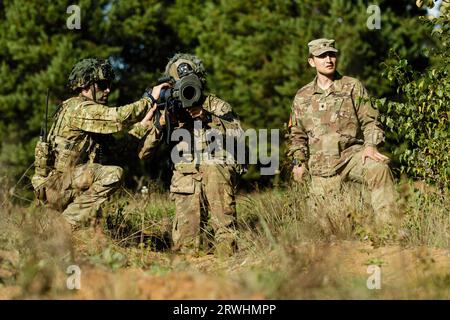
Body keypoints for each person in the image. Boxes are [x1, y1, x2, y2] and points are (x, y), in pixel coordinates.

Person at [32, 57, 166, 227]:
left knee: (99, 208)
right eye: (102, 85)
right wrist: (149, 100)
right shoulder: (79, 108)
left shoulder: (85, 115)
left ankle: (64, 225)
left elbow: (118, 149)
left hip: (65, 186)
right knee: (112, 174)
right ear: (85, 86)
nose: (108, 90)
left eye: (109, 84)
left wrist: (141, 126)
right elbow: (117, 117)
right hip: (58, 186)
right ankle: (61, 226)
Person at [137, 53, 244, 257]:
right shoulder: (167, 109)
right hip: (185, 181)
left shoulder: (216, 105)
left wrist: (208, 117)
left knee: (226, 241)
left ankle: (227, 267)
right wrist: (161, 124)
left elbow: (238, 136)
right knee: (188, 248)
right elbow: (143, 153)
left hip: (217, 177)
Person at [288, 39, 397, 230]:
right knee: (324, 231)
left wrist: (370, 146)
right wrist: (299, 163)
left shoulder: (352, 86)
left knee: (379, 169)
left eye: (331, 54)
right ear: (312, 61)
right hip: (320, 168)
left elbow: (371, 120)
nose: (328, 59)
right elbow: (297, 134)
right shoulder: (302, 96)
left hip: (351, 158)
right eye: (322, 56)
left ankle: (389, 231)